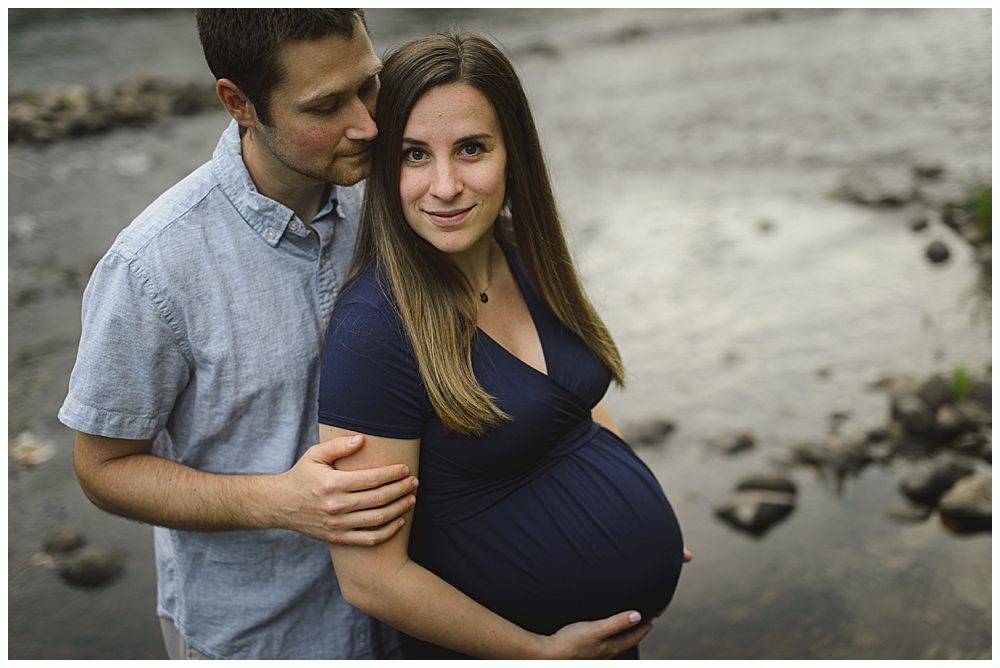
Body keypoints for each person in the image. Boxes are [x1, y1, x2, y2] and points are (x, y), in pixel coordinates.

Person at [58, 9, 661, 660]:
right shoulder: (154, 268)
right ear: (240, 103)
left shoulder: (400, 196)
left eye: (367, 85)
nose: (369, 125)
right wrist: (277, 501)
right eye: (325, 106)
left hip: (424, 608)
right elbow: (103, 469)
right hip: (268, 632)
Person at [318, 31, 686, 659]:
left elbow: (573, 400)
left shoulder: (522, 254)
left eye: (470, 149)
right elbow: (371, 579)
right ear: (384, 168)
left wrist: (636, 504)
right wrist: (535, 653)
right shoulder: (373, 329)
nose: (444, 186)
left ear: (513, 151)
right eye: (413, 154)